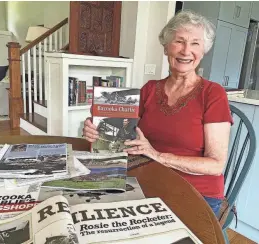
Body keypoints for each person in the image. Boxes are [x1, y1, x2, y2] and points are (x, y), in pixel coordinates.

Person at [82, 10, 233, 217]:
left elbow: (215, 165)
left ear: (203, 51)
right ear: (166, 47)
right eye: (179, 41)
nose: (186, 50)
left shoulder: (213, 93)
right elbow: (116, 128)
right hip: (148, 178)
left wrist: (157, 155)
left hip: (197, 192)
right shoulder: (150, 89)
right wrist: (95, 128)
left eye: (195, 43)